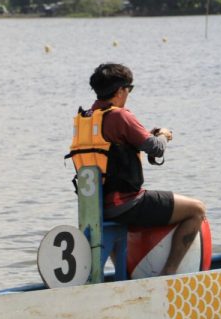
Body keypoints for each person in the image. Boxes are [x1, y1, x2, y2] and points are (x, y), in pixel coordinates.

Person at [67, 63, 206, 276]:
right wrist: (164, 135)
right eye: (128, 90)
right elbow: (156, 149)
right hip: (126, 204)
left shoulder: (86, 118)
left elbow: (110, 149)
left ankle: (124, 274)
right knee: (197, 209)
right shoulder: (120, 116)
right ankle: (168, 274)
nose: (128, 95)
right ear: (121, 90)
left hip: (95, 206)